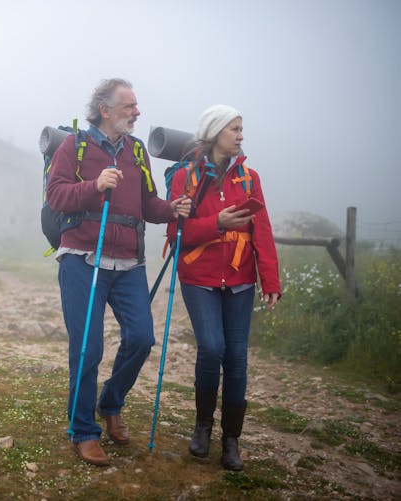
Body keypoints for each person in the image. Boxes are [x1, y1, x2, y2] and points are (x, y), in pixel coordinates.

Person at [46, 78, 191, 466]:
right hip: (82, 258)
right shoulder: (74, 146)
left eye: (137, 106)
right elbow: (56, 195)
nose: (137, 112)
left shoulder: (137, 151)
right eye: (129, 106)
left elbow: (145, 203)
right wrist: (95, 185)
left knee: (142, 339)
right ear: (105, 109)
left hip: (128, 263)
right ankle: (83, 430)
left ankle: (110, 403)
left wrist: (171, 209)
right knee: (88, 348)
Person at [166, 104, 281, 471]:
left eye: (241, 128)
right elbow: (175, 234)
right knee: (211, 348)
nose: (241, 135)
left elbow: (261, 230)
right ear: (215, 133)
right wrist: (216, 222)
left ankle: (231, 439)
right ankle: (202, 427)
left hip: (240, 280)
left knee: (236, 357)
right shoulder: (185, 177)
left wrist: (270, 280)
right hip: (198, 277)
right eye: (234, 128)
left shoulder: (250, 178)